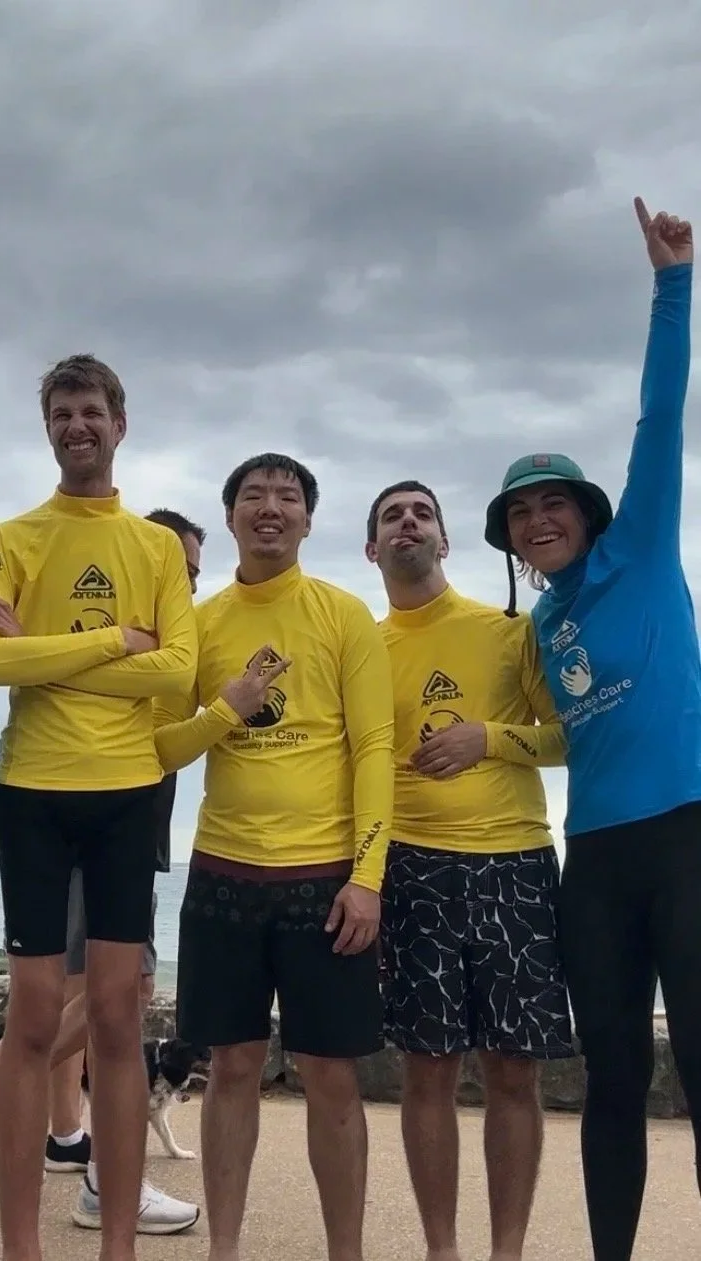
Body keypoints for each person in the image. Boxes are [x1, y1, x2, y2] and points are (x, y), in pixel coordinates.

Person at [483, 199, 700, 1261]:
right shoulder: (542, 624)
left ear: (589, 509)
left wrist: (672, 284)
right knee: (612, 1078)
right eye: (522, 515)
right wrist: (487, 742)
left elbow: (660, 419)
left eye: (552, 503)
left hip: (689, 835)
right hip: (598, 861)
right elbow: (555, 737)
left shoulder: (644, 552)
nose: (538, 520)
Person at [0, 355, 199, 1261]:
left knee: (114, 1013)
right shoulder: (11, 537)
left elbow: (177, 669)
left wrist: (47, 649)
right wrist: (112, 642)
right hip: (34, 793)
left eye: (92, 410)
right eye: (62, 412)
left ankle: (118, 1244)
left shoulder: (151, 547)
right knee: (32, 1017)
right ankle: (19, 1243)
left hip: (124, 793)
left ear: (120, 423)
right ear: (48, 426)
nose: (78, 425)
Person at [153, 452, 394, 1261]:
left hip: (325, 883)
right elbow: (165, 748)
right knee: (231, 1066)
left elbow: (375, 746)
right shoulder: (205, 620)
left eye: (287, 496)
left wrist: (368, 877)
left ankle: (346, 1251)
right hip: (223, 873)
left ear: (308, 519)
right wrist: (229, 706)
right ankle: (224, 1246)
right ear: (230, 518)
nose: (270, 507)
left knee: (331, 1076)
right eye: (254, 495)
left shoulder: (342, 613)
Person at [364, 480, 573, 1261]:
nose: (408, 522)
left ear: (445, 542)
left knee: (515, 1073)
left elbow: (563, 736)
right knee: (427, 1071)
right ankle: (442, 1249)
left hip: (513, 861)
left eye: (422, 513)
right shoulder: (363, 645)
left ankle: (507, 1250)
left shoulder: (510, 631)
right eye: (392, 515)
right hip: (410, 868)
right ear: (372, 547)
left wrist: (489, 738)